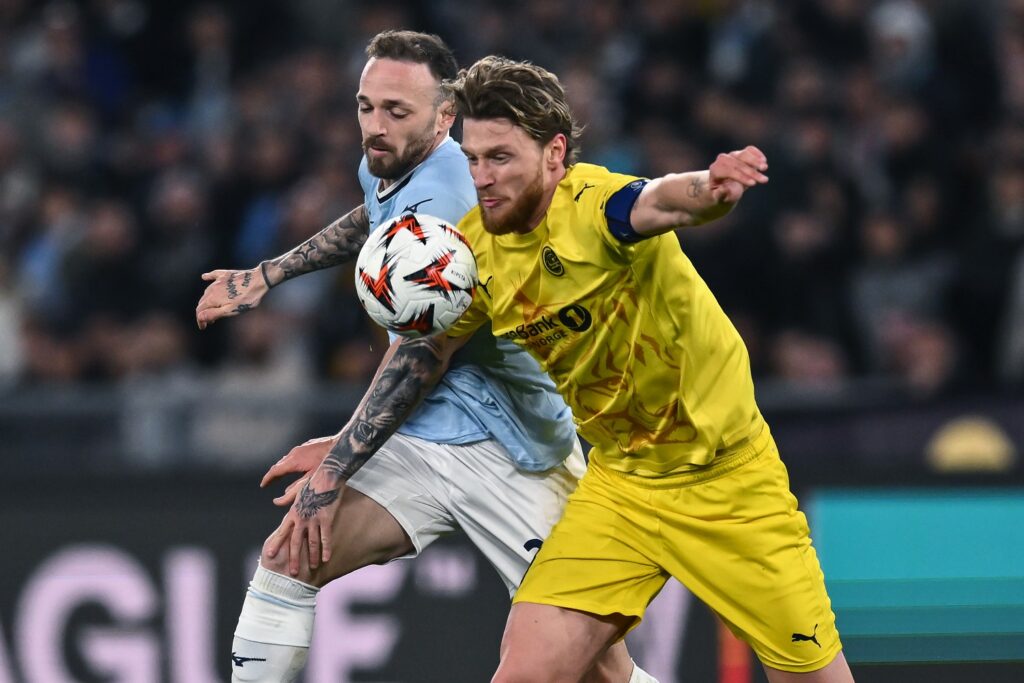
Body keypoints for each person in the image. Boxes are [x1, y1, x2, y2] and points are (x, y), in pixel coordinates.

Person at [280, 56, 857, 683]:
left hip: (729, 485)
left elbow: (662, 201)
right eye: (472, 159)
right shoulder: (473, 253)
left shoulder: (593, 206)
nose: (482, 177)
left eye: (500, 158)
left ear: (554, 154)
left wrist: (709, 189)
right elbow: (425, 355)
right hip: (622, 489)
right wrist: (343, 452)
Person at [196, 32, 655, 683]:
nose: (375, 127)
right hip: (423, 436)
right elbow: (374, 214)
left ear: (445, 118)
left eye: (396, 111)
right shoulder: (391, 161)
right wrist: (270, 273)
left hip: (515, 451)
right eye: (366, 106)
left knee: (599, 671)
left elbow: (424, 356)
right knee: (289, 558)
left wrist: (335, 465)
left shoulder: (456, 203)